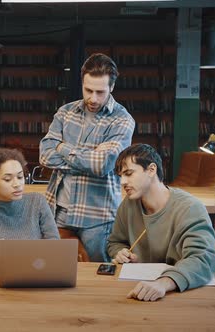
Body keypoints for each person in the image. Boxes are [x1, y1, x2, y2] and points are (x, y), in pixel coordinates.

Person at [39, 53, 135, 262]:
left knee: (99, 274)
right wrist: (88, 154)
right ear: (82, 83)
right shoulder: (65, 112)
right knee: (53, 270)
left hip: (98, 216)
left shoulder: (122, 119)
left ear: (112, 87)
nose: (93, 98)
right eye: (88, 90)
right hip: (57, 210)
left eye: (100, 92)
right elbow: (45, 155)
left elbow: (102, 164)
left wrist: (63, 147)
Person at [107, 143, 215, 302]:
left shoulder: (189, 207)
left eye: (129, 173)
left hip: (180, 293)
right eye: (121, 176)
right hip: (136, 289)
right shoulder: (128, 205)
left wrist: (163, 284)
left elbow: (202, 259)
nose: (122, 182)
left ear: (152, 170)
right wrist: (121, 252)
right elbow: (115, 242)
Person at [0, 148, 60, 265]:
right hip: (0, 273)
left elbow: (55, 244)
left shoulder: (37, 201)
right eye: (7, 179)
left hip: (37, 269)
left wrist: (12, 248)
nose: (17, 184)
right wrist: (8, 247)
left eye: (20, 177)